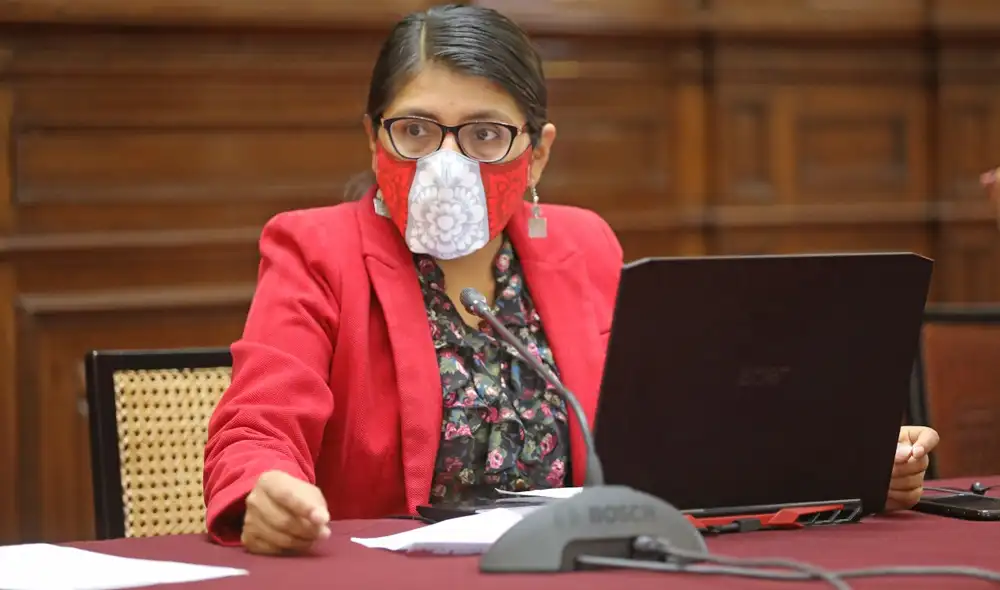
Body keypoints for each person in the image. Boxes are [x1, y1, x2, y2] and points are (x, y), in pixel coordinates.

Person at [202, 4, 940, 555]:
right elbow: (255, 429)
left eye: (485, 135)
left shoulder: (582, 245)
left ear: (538, 155)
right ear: (374, 138)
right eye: (417, 130)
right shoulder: (316, 248)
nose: (446, 163)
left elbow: (685, 434)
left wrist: (855, 466)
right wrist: (266, 492)